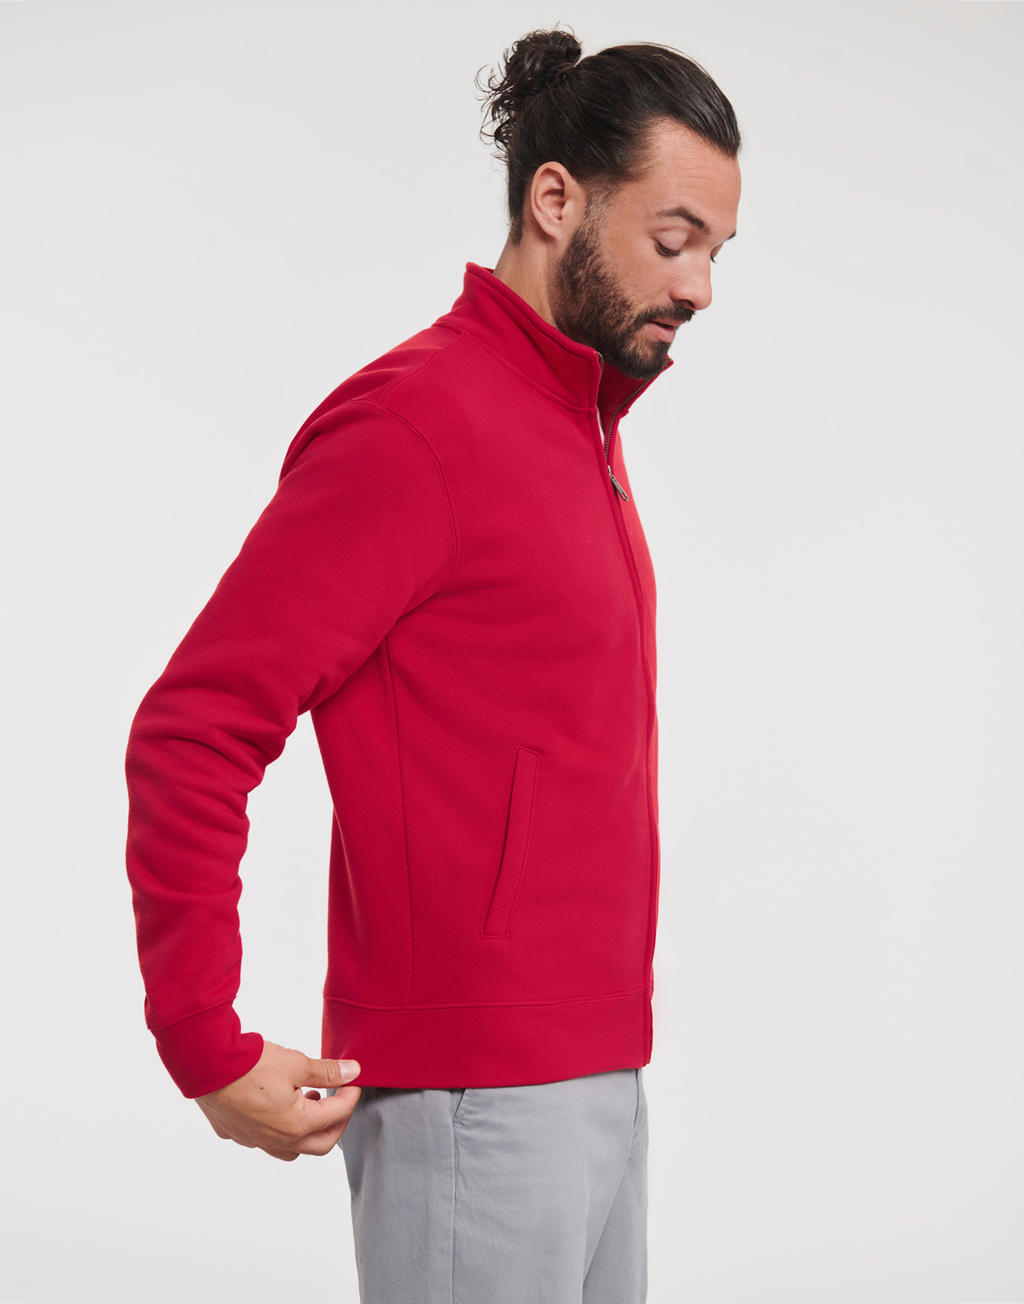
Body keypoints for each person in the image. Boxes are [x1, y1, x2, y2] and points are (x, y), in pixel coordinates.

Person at [123, 25, 742, 1304]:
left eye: (716, 253)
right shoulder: (414, 424)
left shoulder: (578, 427)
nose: (698, 288)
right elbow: (197, 724)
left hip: (594, 1072)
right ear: (555, 199)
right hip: (474, 1101)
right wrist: (201, 1038)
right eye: (673, 239)